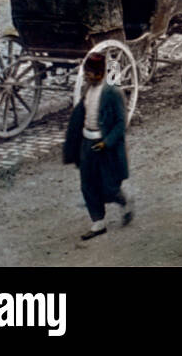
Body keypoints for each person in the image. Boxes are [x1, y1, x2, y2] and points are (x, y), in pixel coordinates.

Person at [63, 51, 132, 239]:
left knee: (109, 186)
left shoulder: (112, 92)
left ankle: (122, 200)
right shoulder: (88, 89)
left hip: (104, 146)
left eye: (90, 74)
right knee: (87, 183)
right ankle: (98, 222)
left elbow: (120, 123)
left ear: (100, 74)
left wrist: (106, 142)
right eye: (85, 73)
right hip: (87, 143)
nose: (86, 77)